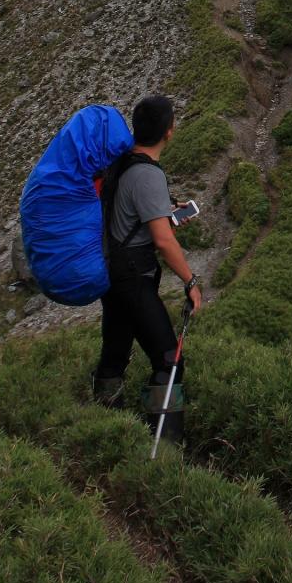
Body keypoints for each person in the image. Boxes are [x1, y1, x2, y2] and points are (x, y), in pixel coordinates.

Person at [91, 94, 202, 444]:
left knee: (114, 354)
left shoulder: (120, 164)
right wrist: (191, 281)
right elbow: (164, 242)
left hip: (111, 275)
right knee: (169, 361)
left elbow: (127, 213)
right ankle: (162, 447)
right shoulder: (147, 175)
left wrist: (165, 209)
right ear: (169, 133)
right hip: (134, 277)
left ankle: (104, 429)